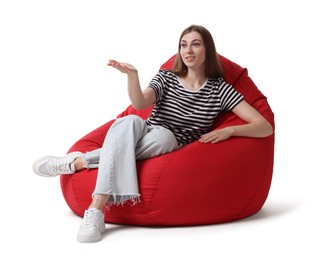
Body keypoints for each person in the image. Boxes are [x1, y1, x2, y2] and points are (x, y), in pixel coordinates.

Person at [32, 24, 273, 243]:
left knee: (163, 137)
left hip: (170, 142)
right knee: (128, 123)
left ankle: (81, 164)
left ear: (207, 50)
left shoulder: (220, 90)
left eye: (195, 44)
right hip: (143, 130)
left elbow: (264, 126)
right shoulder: (167, 77)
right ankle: (96, 208)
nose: (188, 50)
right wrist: (132, 76)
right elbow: (139, 103)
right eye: (183, 44)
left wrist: (230, 130)